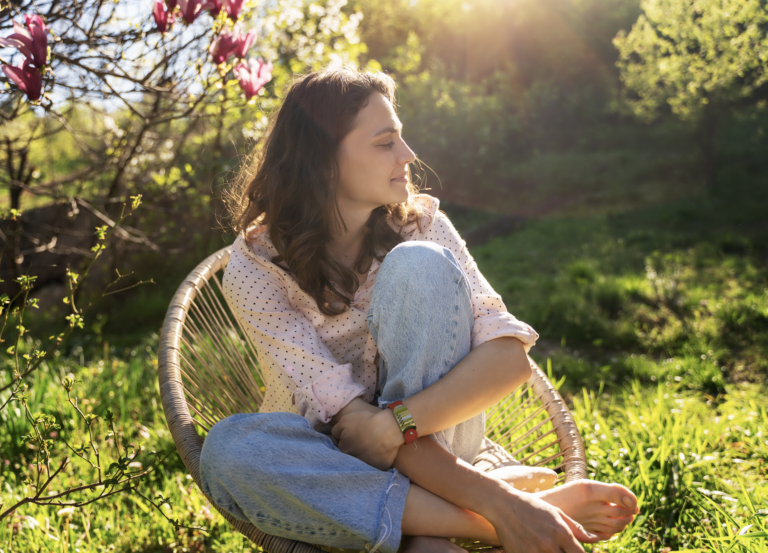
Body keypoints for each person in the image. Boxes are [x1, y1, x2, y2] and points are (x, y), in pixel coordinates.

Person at [199, 67, 639, 553]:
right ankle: (499, 513)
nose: (408, 156)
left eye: (401, 139)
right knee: (227, 452)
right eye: (386, 142)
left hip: (441, 438)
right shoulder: (256, 267)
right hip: (328, 463)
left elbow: (509, 358)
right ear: (323, 160)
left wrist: (392, 424)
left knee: (420, 265)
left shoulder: (421, 227)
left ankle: (431, 527)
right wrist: (505, 508)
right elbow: (346, 427)